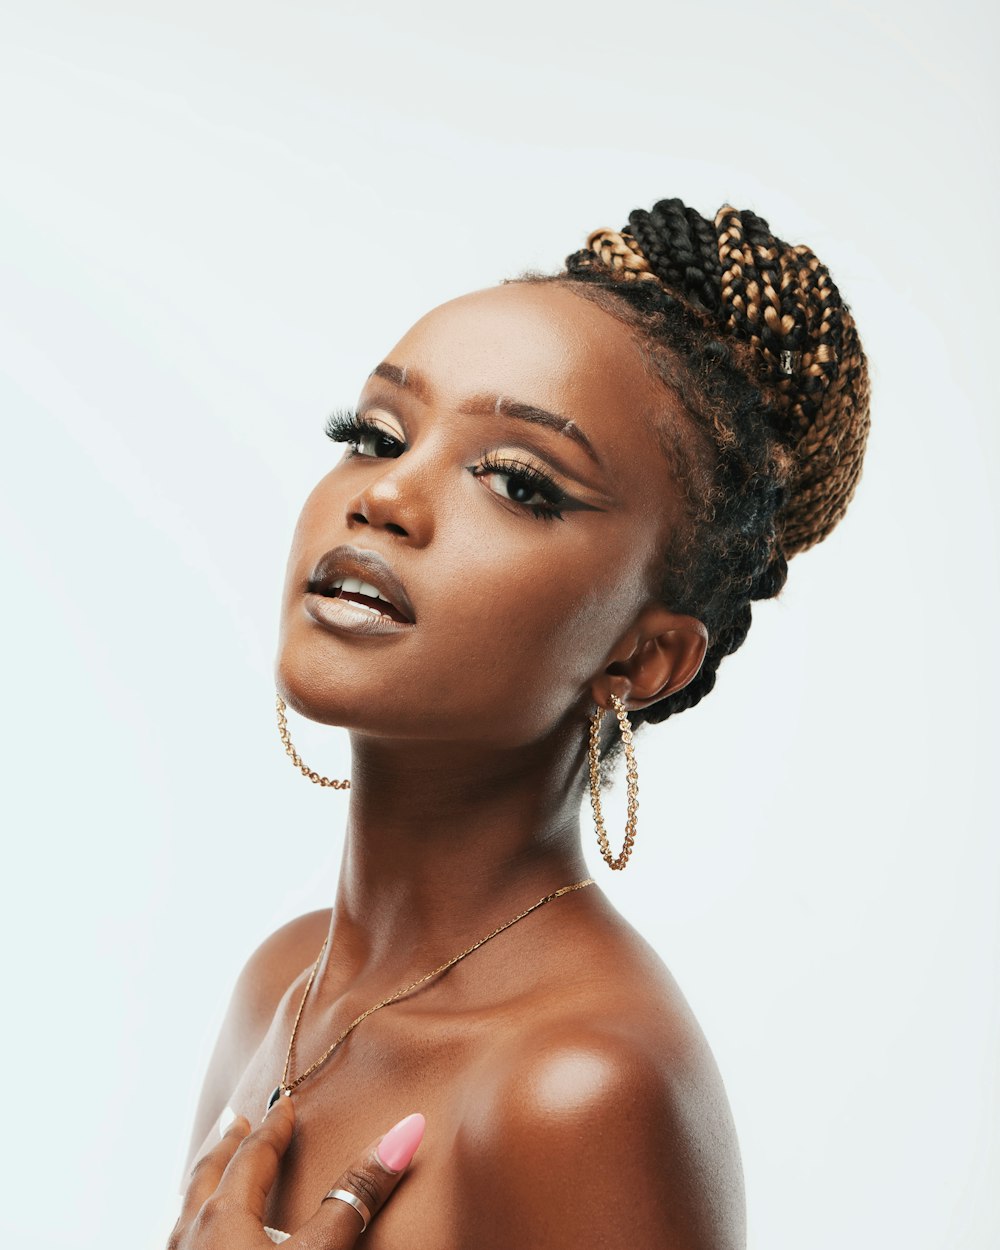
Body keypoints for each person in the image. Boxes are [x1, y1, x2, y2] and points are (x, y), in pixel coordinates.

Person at [169, 197, 870, 1249]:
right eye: (373, 434)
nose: (388, 494)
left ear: (639, 656)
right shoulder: (279, 986)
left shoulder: (583, 1084)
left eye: (516, 481)